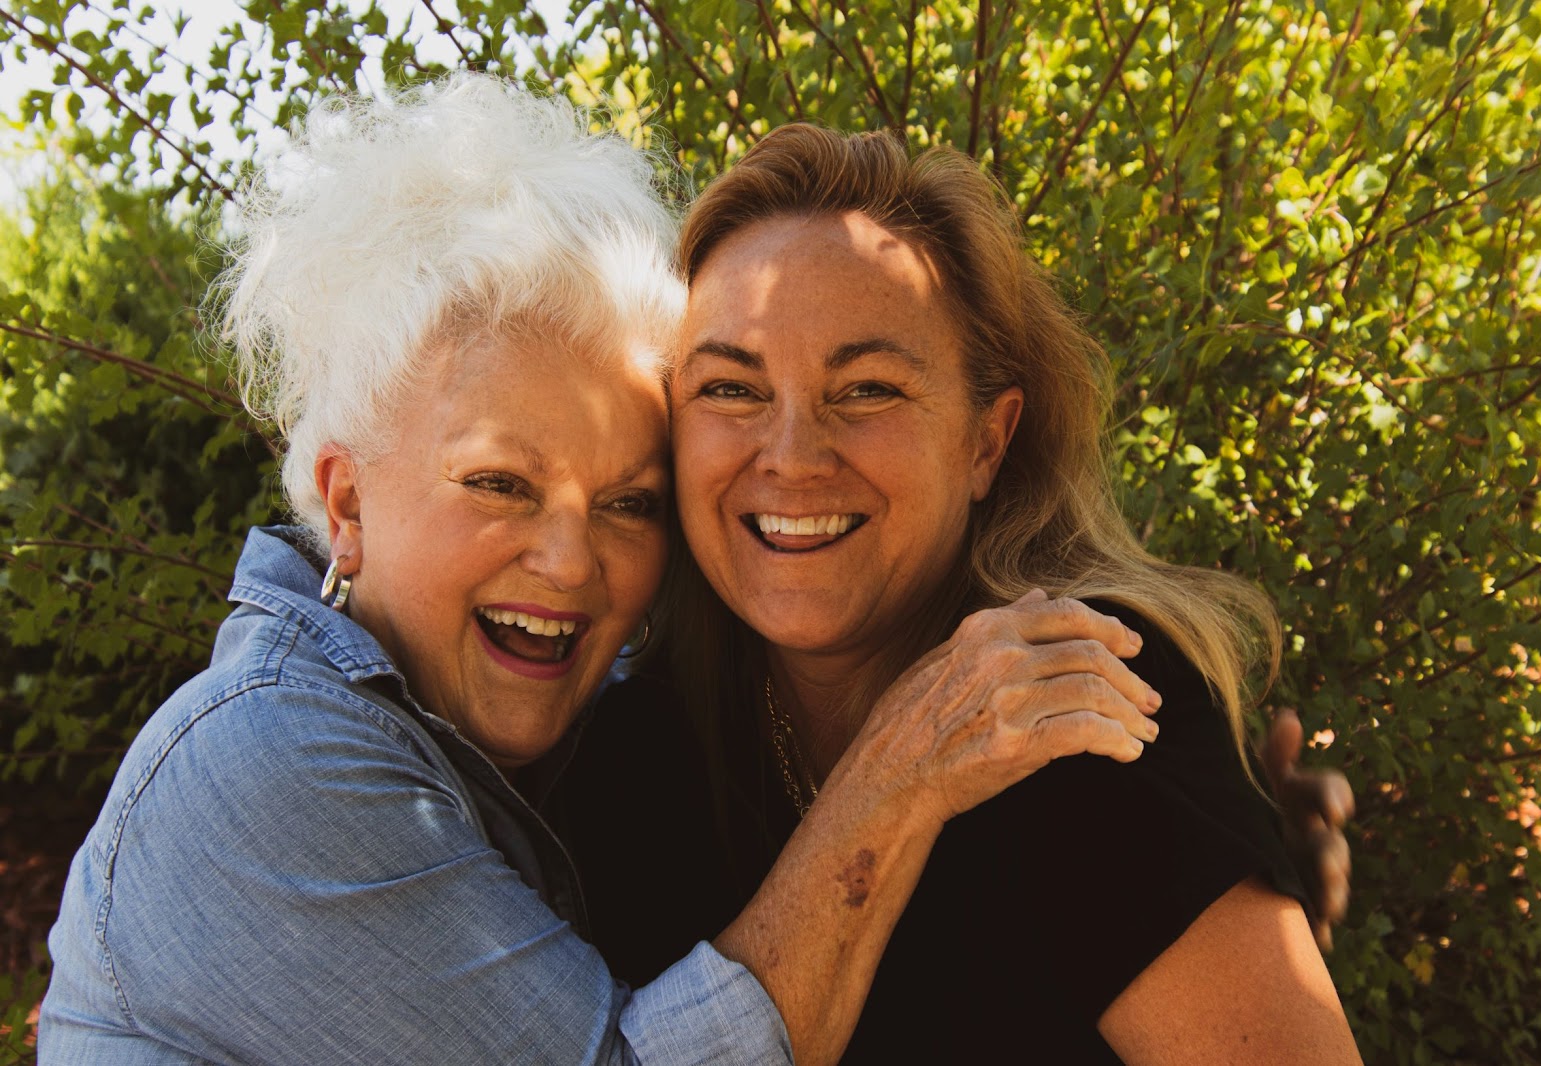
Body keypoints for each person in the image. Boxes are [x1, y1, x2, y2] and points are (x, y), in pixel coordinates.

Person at [37, 79, 1166, 1065]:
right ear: (345, 499)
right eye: (498, 484)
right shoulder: (267, 763)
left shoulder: (551, 748)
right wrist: (897, 772)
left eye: (628, 502)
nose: (572, 562)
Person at [553, 124, 1364, 1062]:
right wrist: (894, 779)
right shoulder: (629, 751)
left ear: (986, 441)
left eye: (866, 390)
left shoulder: (1077, 709)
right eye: (731, 389)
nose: (791, 457)